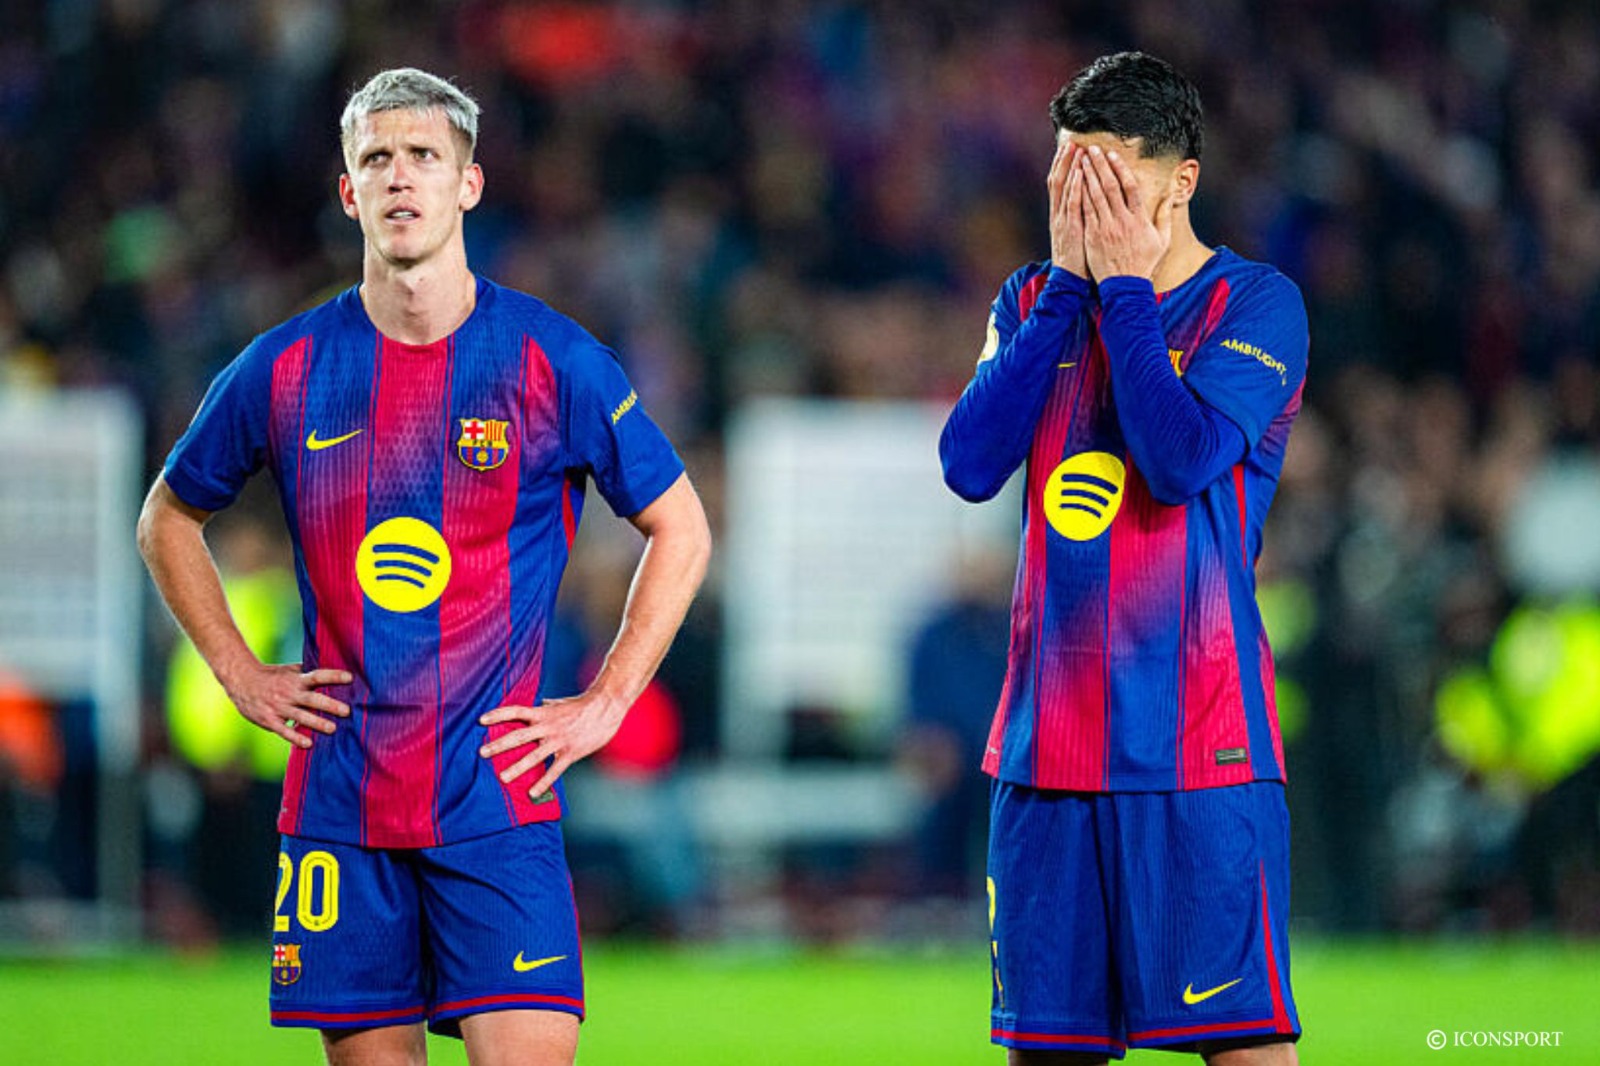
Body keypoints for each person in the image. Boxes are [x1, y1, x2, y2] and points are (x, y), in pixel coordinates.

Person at [137, 68, 711, 1066]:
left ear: (468, 183)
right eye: (376, 159)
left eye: (423, 157)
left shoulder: (551, 359)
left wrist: (607, 701)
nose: (399, 177)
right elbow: (166, 517)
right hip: (341, 808)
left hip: (497, 802)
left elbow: (683, 529)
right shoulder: (285, 367)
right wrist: (239, 672)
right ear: (348, 191)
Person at [939, 52, 1308, 1065]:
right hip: (1044, 753)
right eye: (1068, 175)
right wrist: (1068, 289)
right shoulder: (1031, 299)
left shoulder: (1256, 305)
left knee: (1241, 1044)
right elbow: (968, 465)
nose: (1084, 203)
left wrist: (1127, 294)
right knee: (1047, 1051)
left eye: (1108, 179)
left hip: (1197, 747)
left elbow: (1180, 460)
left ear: (1181, 181)